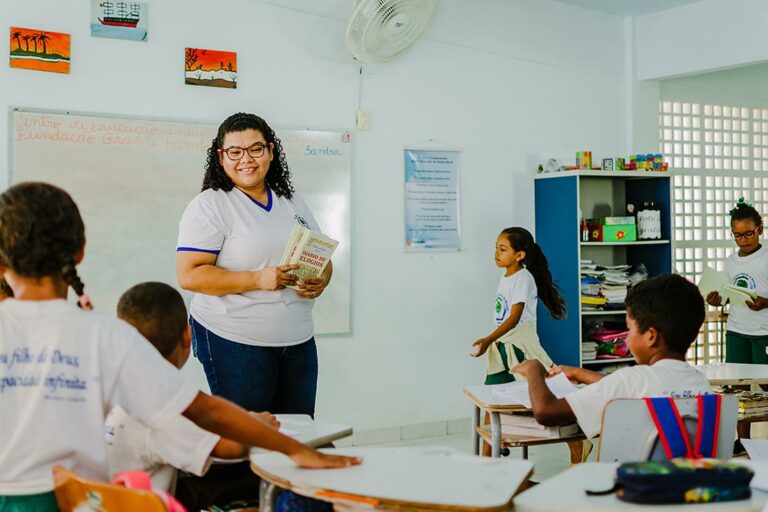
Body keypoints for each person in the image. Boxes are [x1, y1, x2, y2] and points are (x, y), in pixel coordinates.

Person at [0, 182, 359, 511]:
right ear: (80, 251)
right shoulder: (106, 336)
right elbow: (206, 412)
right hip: (76, 501)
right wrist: (297, 449)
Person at [177, 112, 331, 416]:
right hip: (235, 340)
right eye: (234, 152)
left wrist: (321, 279)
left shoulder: (291, 200)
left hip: (297, 339)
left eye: (255, 149)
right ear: (221, 157)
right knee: (247, 440)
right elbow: (190, 275)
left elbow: (321, 255)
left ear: (271, 152)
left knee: (297, 438)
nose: (245, 159)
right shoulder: (211, 205)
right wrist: (258, 280)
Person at [109, 281, 275, 510]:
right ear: (188, 335)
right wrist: (257, 423)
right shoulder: (158, 408)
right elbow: (233, 447)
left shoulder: (111, 390)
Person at [512, 273, 712, 439]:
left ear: (650, 336)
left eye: (629, 329)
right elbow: (630, 389)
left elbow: (546, 412)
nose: (625, 339)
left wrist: (534, 371)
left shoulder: (633, 379)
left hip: (631, 485)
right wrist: (581, 374)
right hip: (693, 484)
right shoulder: (702, 384)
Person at [469, 227, 566, 384]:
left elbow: (514, 318)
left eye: (503, 249)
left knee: (534, 389)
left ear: (519, 255)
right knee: (493, 389)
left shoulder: (523, 279)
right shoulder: (507, 276)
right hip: (504, 340)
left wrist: (488, 339)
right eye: (496, 248)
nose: (497, 253)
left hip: (519, 342)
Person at [706, 197, 768, 364]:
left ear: (760, 230)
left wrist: (766, 303)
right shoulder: (731, 260)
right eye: (737, 235)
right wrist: (717, 301)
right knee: (737, 382)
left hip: (764, 332)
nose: (743, 239)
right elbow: (728, 294)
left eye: (748, 233)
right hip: (736, 330)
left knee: (764, 381)